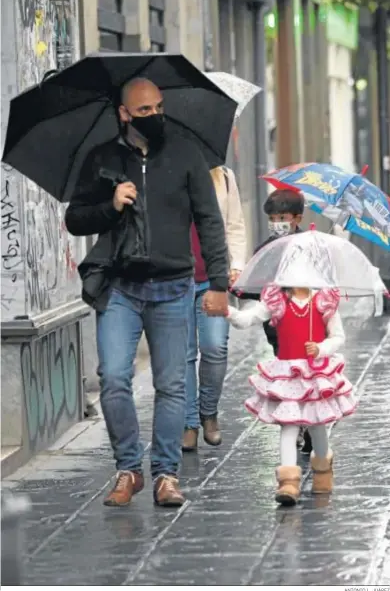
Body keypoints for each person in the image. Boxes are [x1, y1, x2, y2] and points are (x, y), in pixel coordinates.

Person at [65, 77, 229, 508]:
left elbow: (210, 220)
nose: (156, 116)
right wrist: (110, 204)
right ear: (123, 114)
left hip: (175, 287)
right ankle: (128, 470)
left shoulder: (185, 154)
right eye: (144, 111)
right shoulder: (102, 159)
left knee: (172, 385)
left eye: (159, 107)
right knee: (114, 378)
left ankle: (166, 476)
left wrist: (218, 283)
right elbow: (75, 219)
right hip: (120, 288)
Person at [225, 285, 356, 506]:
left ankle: (323, 466)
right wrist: (227, 311)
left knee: (317, 425)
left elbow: (338, 336)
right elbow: (247, 319)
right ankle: (288, 481)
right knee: (289, 424)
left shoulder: (323, 302)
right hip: (287, 374)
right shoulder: (277, 301)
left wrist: (321, 348)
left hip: (315, 373)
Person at [234, 189, 312, 452]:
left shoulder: (310, 246)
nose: (277, 223)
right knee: (289, 377)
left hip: (307, 325)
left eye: (282, 217)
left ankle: (310, 421)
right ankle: (297, 423)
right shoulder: (265, 250)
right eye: (272, 218)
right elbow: (255, 285)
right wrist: (239, 289)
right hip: (278, 328)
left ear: (297, 218)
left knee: (308, 375)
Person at [183, 166, 247, 451]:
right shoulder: (165, 169)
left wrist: (235, 266)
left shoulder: (223, 176)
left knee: (214, 346)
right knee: (182, 354)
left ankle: (208, 412)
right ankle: (188, 424)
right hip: (176, 278)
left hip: (213, 277)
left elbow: (234, 225)